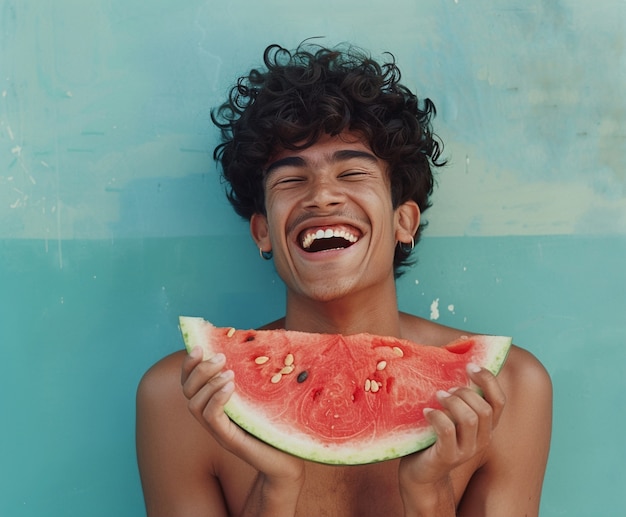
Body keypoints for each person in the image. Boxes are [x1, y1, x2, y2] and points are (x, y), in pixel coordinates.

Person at [136, 41, 552, 517]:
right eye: (291, 181)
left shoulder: (510, 389)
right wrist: (277, 486)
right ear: (263, 231)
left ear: (404, 222)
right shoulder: (180, 398)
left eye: (352, 173)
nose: (323, 196)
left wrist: (426, 492)